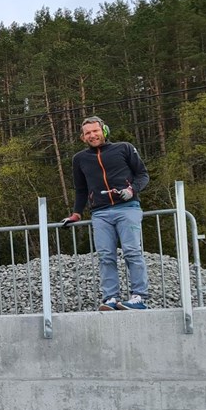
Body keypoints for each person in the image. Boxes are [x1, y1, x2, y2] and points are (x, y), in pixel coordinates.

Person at [61, 115, 150, 311]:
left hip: (128, 209)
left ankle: (139, 297)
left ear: (104, 130)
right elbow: (81, 189)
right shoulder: (79, 159)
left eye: (95, 131)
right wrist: (76, 213)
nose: (92, 135)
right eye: (88, 133)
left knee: (132, 252)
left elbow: (143, 175)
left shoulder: (124, 148)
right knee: (105, 256)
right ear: (83, 137)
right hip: (100, 213)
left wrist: (131, 190)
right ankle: (110, 298)